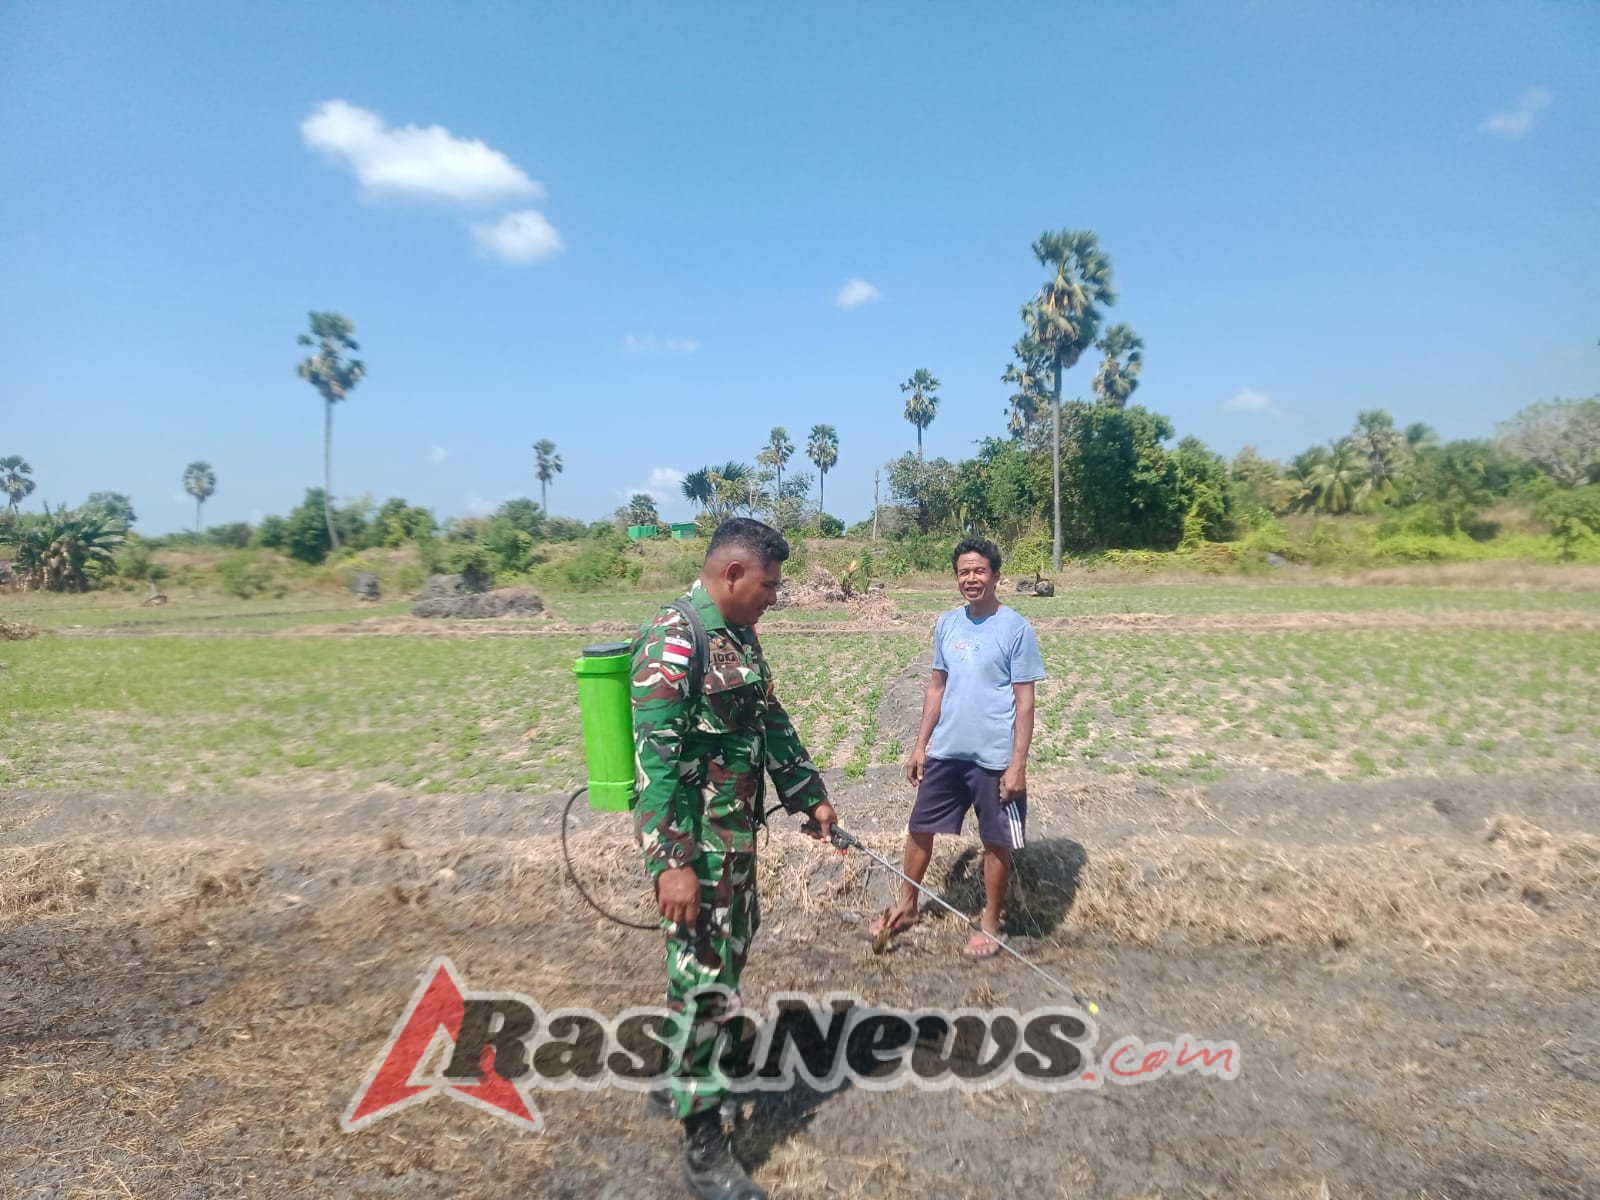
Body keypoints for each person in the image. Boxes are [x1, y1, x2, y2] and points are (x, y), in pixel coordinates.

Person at [631, 516, 838, 1200]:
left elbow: (768, 718)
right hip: (696, 849)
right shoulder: (674, 639)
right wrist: (671, 863)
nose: (775, 597)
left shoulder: (739, 634)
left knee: (722, 959)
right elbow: (655, 765)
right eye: (769, 585)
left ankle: (677, 1076)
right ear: (732, 574)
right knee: (704, 984)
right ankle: (703, 1147)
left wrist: (809, 795)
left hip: (735, 841)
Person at [870, 536, 1046, 958]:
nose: (971, 578)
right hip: (947, 751)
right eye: (964, 572)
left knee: (995, 840)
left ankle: (991, 922)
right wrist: (920, 745)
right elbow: (936, 686)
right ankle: (907, 906)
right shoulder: (948, 624)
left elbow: (1025, 703)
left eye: (979, 570)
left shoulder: (1016, 629)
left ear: (996, 576)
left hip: (993, 758)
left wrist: (1017, 765)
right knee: (919, 827)